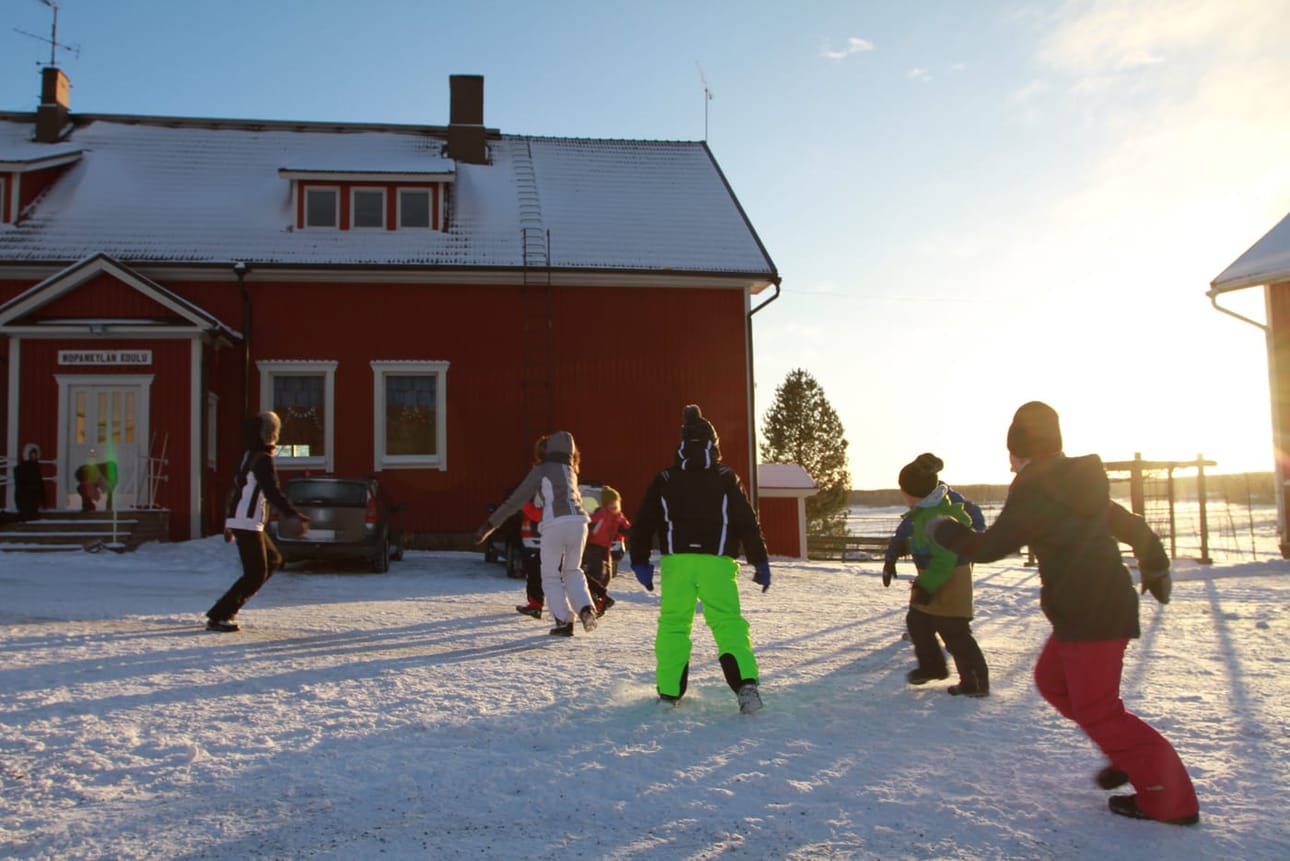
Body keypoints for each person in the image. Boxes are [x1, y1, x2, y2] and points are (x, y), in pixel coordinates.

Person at [928, 401, 1200, 826]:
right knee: (1052, 682)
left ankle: (1171, 800)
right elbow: (1128, 524)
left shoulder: (1035, 490)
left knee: (1098, 711)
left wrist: (946, 530)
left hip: (1091, 614)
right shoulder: (1076, 483)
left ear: (1021, 450)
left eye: (1012, 453)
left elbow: (992, 547)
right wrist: (1155, 563)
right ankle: (1128, 756)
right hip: (1088, 610)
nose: (1010, 463)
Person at [628, 404, 772, 714]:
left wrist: (639, 559)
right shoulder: (725, 477)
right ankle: (746, 687)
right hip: (717, 563)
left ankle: (669, 693)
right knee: (727, 622)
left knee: (674, 625)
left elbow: (643, 522)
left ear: (682, 444)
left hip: (677, 563)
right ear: (713, 444)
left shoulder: (665, 478)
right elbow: (747, 521)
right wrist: (759, 560)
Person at [885, 453, 990, 697]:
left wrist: (926, 586)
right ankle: (933, 667)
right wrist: (903, 547)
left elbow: (945, 558)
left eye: (903, 490)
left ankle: (975, 682)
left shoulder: (935, 517)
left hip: (950, 582)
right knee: (917, 622)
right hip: (936, 579)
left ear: (912, 493)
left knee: (955, 633)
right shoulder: (925, 514)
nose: (902, 495)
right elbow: (927, 544)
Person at [475, 431, 596, 637]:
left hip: (555, 524)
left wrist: (489, 525)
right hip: (580, 523)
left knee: (549, 574)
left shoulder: (542, 469)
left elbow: (516, 500)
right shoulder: (571, 470)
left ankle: (564, 621)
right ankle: (586, 608)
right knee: (573, 570)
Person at [205, 411, 309, 633]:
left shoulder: (249, 455)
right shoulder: (262, 459)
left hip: (246, 520)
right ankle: (220, 615)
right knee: (255, 573)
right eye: (274, 432)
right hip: (247, 521)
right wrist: (292, 515)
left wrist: (229, 522)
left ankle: (224, 609)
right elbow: (271, 491)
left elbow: (236, 488)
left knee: (273, 560)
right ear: (269, 434)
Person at [583, 485, 630, 616]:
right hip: (592, 548)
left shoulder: (618, 516)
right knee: (596, 574)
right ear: (605, 504)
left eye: (616, 503)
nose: (614, 506)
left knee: (606, 576)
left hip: (605, 549)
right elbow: (588, 528)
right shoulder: (599, 516)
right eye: (610, 504)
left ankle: (599, 601)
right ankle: (594, 602)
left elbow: (626, 528)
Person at [13, 443, 46, 521]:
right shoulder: (21, 468)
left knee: (32, 515)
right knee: (26, 515)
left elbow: (40, 483)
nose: (34, 456)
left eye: (35, 454)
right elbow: (19, 485)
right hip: (25, 496)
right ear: (28, 454)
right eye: (32, 454)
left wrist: (43, 497)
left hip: (34, 496)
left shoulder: (36, 468)